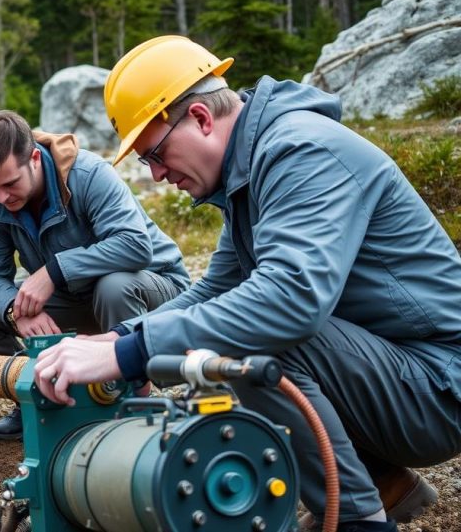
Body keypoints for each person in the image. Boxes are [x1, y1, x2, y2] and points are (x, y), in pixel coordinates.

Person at [32, 35, 461, 532]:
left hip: (439, 386)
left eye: (154, 154)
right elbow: (213, 291)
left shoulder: (300, 150)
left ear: (199, 117)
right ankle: (384, 482)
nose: (155, 175)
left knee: (256, 340)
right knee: (232, 325)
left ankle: (357, 521)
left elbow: (290, 298)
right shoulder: (249, 174)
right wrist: (121, 339)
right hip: (398, 373)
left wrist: (134, 353)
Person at [0, 109, 190, 440]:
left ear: (34, 159)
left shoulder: (89, 174)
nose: (2, 198)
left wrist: (54, 270)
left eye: (10, 184)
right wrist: (14, 311)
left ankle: (131, 401)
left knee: (114, 286)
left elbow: (135, 246)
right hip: (78, 299)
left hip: (151, 289)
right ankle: (35, 396)